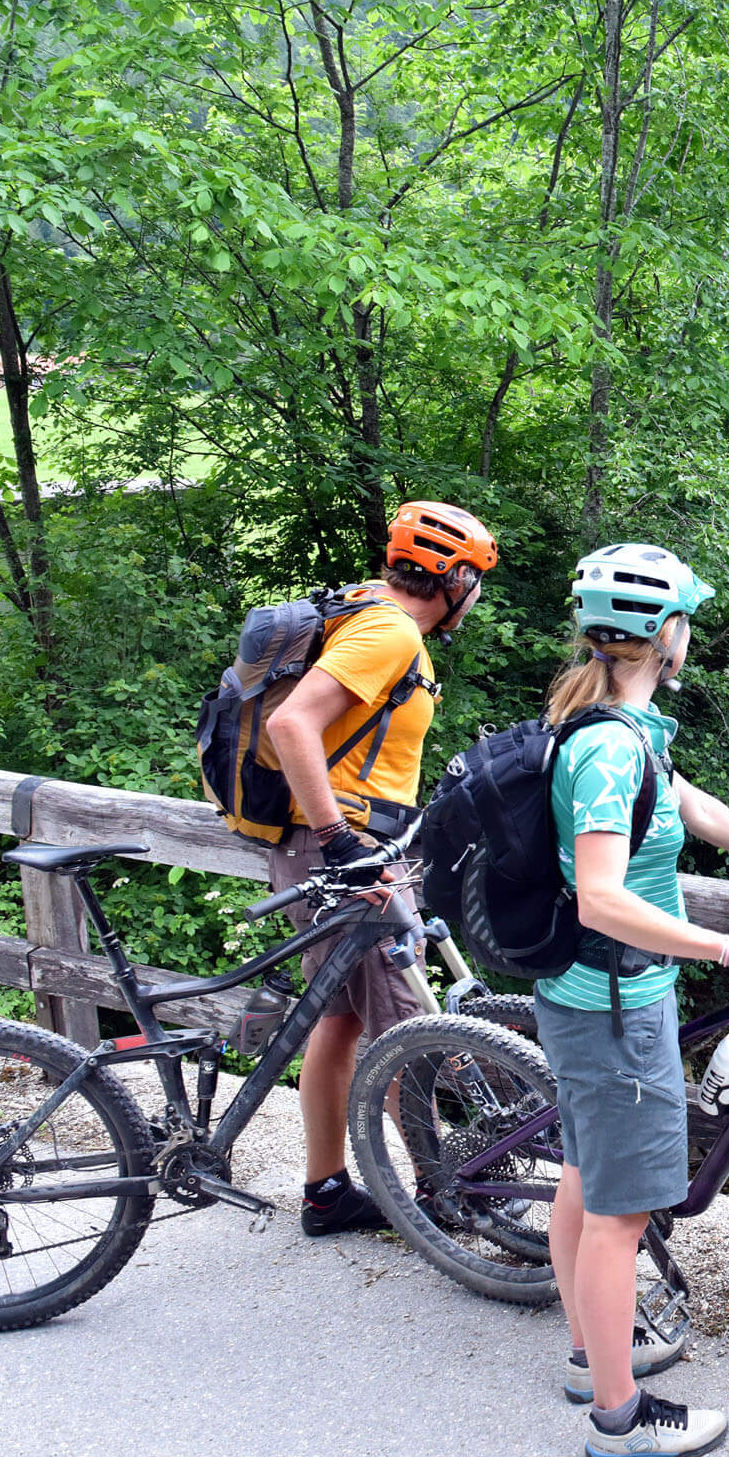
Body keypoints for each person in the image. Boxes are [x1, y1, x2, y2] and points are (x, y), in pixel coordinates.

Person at [537, 542, 729, 1457]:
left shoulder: (624, 729)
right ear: (663, 634)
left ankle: (594, 1353)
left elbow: (687, 806)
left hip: (603, 994)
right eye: (688, 623)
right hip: (613, 1000)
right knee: (619, 1213)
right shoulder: (604, 749)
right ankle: (619, 1418)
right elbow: (601, 896)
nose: (692, 637)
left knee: (591, 1175)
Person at [263, 500, 499, 1237]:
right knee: (407, 1030)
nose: (479, 596)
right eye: (478, 580)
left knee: (337, 1021)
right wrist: (340, 842)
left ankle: (327, 1190)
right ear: (453, 577)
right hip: (344, 853)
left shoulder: (360, 608)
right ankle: (445, 1195)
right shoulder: (390, 631)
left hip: (317, 844)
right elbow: (289, 723)